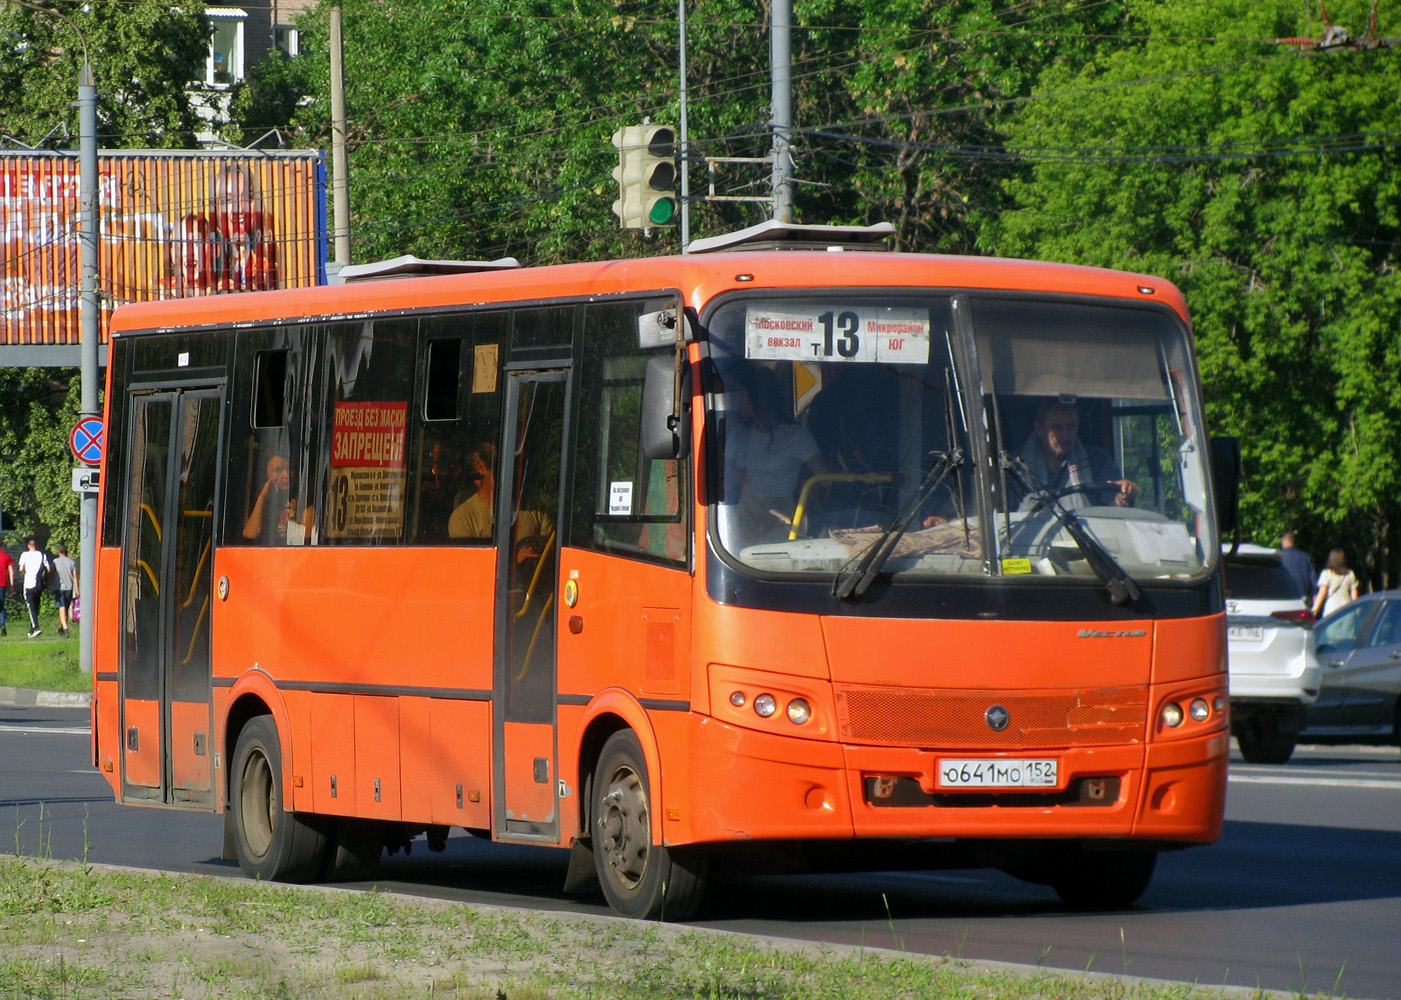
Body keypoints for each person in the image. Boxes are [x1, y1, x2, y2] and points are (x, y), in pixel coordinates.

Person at [722, 367, 831, 542]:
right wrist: (731, 479)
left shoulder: (796, 436)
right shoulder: (738, 435)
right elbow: (718, 483)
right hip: (745, 519)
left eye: (742, 395)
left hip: (784, 521)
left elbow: (825, 479)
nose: (736, 402)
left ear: (760, 396)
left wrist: (805, 485)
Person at [1017, 399, 1136, 510]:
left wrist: (1123, 496)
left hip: (1083, 532)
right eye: (1058, 428)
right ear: (1039, 429)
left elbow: (1113, 509)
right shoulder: (1016, 466)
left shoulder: (1097, 459)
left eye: (1071, 427)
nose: (1066, 436)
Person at [243, 453, 313, 544]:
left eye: (289, 469)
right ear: (267, 475)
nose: (286, 475)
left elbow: (305, 537)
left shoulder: (304, 502)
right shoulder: (263, 503)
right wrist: (262, 497)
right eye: (278, 470)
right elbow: (250, 534)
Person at [17, 537, 51, 638]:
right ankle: (32, 628)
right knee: (36, 605)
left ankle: (36, 627)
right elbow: (48, 569)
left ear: (28, 546)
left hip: (29, 583)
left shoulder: (24, 555)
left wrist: (26, 573)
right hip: (39, 584)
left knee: (30, 606)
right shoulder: (42, 555)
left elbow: (21, 568)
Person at [1313, 547, 1359, 619]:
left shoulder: (1326, 574)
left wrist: (1314, 611)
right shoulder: (1350, 574)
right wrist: (1357, 611)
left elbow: (1322, 593)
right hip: (1347, 611)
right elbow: (1354, 596)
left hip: (1331, 611)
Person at [1278, 531, 1315, 603]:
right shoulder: (1305, 556)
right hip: (1303, 597)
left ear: (1285, 541)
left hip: (1284, 597)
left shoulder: (1278, 557)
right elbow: (1313, 579)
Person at [52, 545, 78, 638]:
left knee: (61, 608)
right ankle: (62, 628)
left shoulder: (55, 562)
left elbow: (50, 573)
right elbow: (75, 576)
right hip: (69, 588)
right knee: (66, 608)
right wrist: (77, 590)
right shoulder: (72, 562)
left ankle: (66, 629)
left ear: (59, 551)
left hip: (59, 588)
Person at [0, 545, 14, 637]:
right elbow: (11, 572)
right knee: (1, 606)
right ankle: (3, 624)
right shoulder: (6, 556)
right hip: (2, 585)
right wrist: (11, 586)